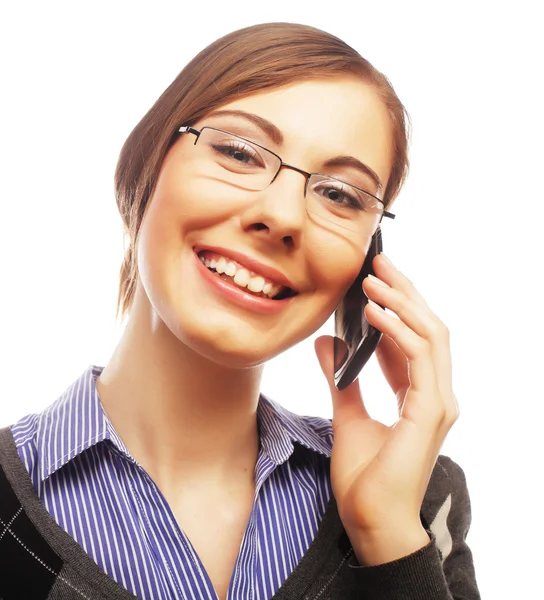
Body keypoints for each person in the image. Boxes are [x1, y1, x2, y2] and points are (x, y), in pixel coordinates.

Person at [0, 22, 480, 600]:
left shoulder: (414, 498)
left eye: (339, 195)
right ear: (147, 164)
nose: (282, 216)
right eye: (238, 151)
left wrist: (387, 537)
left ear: (367, 262)